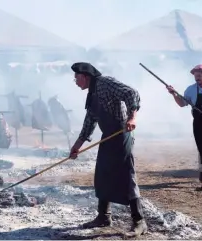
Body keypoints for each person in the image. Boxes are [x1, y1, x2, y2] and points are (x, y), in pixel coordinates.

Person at [69, 62, 147, 237]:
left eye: (77, 78)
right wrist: (77, 146)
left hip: (122, 133)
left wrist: (132, 117)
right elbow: (90, 122)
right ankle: (104, 216)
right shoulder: (92, 94)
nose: (75, 81)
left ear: (86, 76)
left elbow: (131, 93)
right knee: (102, 174)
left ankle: (139, 222)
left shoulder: (105, 82)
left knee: (127, 175)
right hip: (108, 136)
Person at [166, 64, 202, 191]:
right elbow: (182, 104)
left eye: (199, 76)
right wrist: (173, 94)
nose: (196, 78)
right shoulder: (190, 90)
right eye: (195, 76)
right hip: (198, 123)